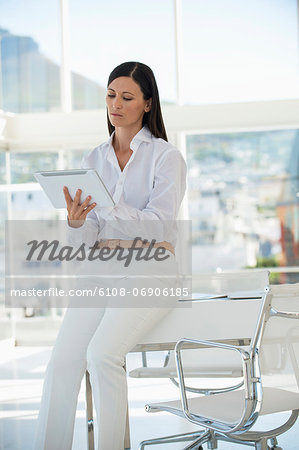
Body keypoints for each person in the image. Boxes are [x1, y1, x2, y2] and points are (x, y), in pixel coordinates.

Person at [34, 61, 187, 450]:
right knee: (63, 363)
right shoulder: (93, 160)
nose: (115, 104)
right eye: (110, 95)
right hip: (101, 269)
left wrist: (112, 209)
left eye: (127, 97)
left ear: (147, 104)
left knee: (102, 355)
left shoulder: (166, 157)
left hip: (151, 271)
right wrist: (77, 221)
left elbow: (161, 227)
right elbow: (90, 239)